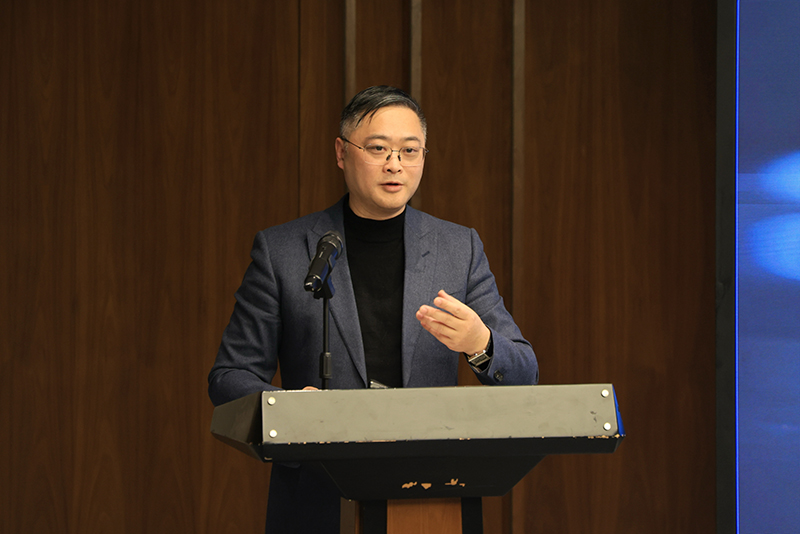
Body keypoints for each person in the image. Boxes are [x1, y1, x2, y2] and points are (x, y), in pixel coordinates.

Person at [208, 85, 538, 533]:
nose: (395, 164)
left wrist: (480, 344)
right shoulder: (282, 251)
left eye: (410, 150)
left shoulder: (459, 248)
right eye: (378, 148)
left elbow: (523, 374)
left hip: (431, 496)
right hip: (318, 496)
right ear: (341, 153)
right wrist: (287, 407)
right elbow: (229, 375)